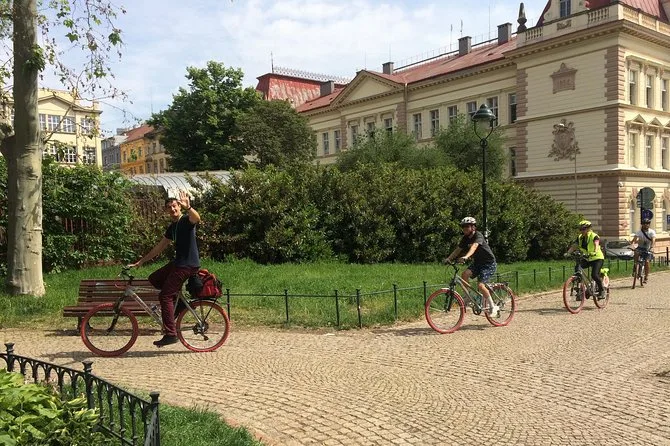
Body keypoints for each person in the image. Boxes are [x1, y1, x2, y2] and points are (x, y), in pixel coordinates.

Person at [128, 190, 201, 347]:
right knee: (154, 278)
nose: (172, 209)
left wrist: (189, 207)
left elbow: (197, 218)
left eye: (174, 206)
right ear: (166, 211)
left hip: (187, 264)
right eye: (169, 207)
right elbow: (159, 248)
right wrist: (141, 261)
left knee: (165, 296)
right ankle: (180, 305)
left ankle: (170, 334)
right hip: (178, 263)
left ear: (179, 207)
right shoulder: (172, 227)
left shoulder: (186, 220)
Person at [444, 217, 499, 316]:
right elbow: (457, 250)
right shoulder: (465, 238)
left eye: (467, 226)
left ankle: (493, 306)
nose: (464, 228)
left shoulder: (478, 235)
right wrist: (449, 258)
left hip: (488, 263)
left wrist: (466, 257)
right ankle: (468, 297)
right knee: (464, 274)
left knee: (481, 286)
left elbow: (474, 247)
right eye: (463, 227)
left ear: (473, 227)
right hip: (478, 263)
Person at [565, 220, 605, 299]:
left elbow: (596, 244)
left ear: (588, 228)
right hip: (587, 258)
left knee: (594, 275)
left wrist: (594, 251)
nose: (582, 231)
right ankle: (580, 291)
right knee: (578, 269)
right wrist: (568, 253)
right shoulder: (580, 237)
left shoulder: (594, 236)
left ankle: (602, 290)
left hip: (597, 258)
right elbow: (574, 246)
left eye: (583, 229)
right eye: (580, 229)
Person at [630, 218, 656, 283]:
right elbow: (634, 240)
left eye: (647, 223)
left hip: (648, 248)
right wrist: (632, 245)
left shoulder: (651, 232)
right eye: (644, 223)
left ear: (649, 224)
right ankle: (635, 266)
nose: (646, 225)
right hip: (640, 247)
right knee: (636, 253)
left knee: (647, 262)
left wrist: (652, 247)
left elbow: (653, 240)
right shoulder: (639, 232)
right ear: (642, 224)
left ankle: (646, 276)